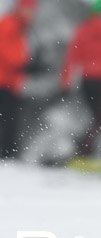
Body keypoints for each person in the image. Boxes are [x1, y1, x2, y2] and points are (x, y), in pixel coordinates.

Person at [59, 0, 101, 165]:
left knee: (95, 118)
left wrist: (65, 80)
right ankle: (84, 152)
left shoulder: (83, 29)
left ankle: (84, 151)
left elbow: (71, 56)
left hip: (87, 79)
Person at [0, 0, 36, 159]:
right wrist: (23, 64)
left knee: (11, 118)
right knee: (7, 118)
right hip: (3, 80)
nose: (29, 13)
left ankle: (8, 151)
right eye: (26, 9)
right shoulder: (9, 24)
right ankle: (6, 152)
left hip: (11, 82)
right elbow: (6, 51)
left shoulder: (19, 27)